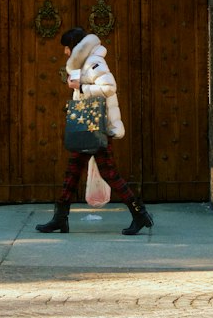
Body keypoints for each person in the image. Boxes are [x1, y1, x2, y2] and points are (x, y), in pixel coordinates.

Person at [35, 26, 154, 236]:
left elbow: (109, 87)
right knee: (72, 174)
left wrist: (80, 86)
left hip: (96, 129)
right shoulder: (84, 62)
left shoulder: (93, 62)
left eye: (66, 47)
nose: (64, 52)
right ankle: (60, 219)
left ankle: (140, 214)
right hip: (86, 127)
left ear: (74, 46)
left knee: (109, 173)